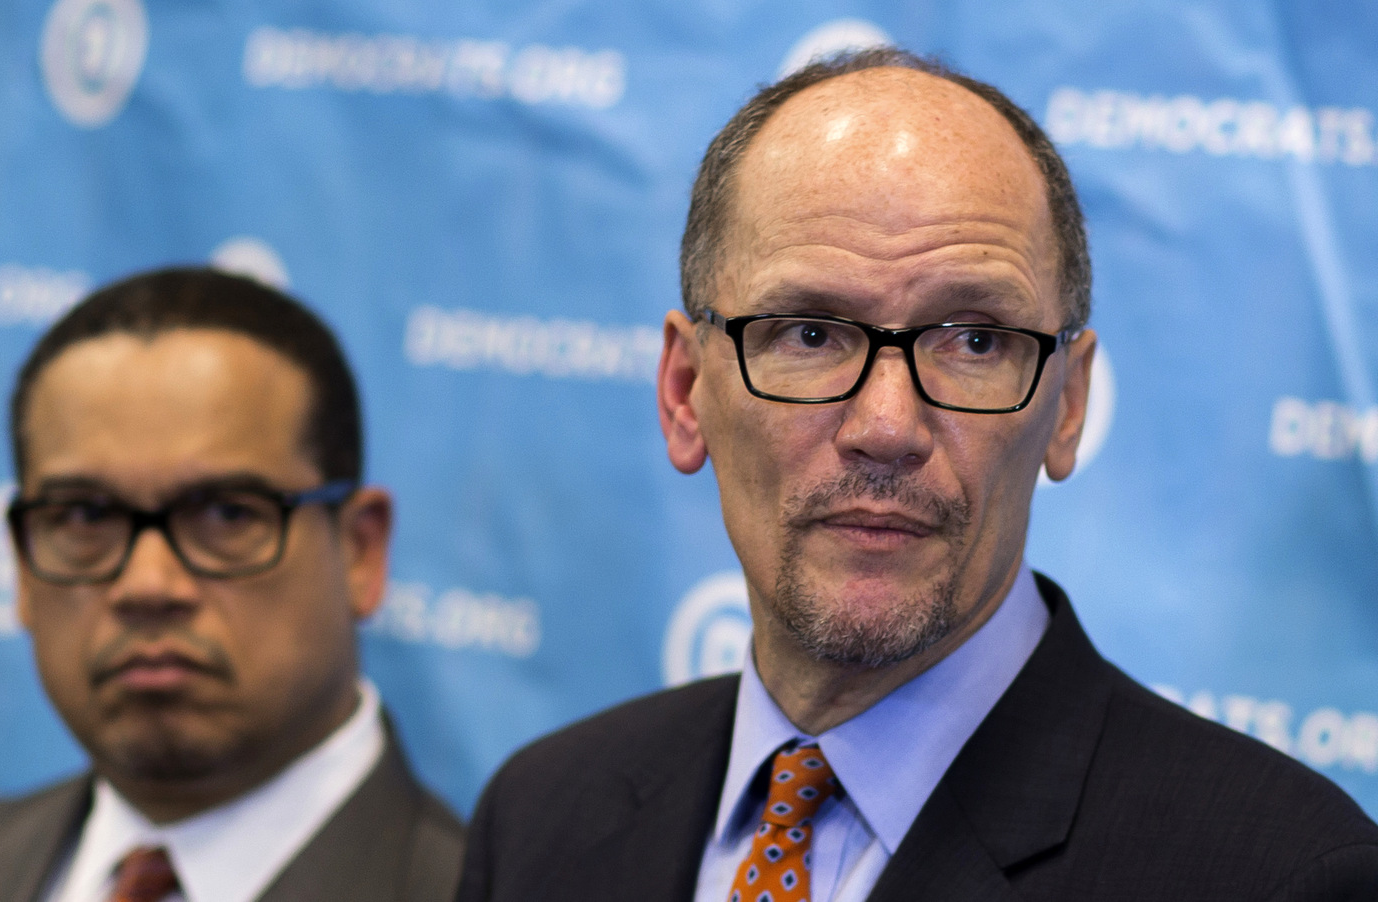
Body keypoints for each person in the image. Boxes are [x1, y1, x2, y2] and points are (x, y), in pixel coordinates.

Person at [455, 48, 1378, 901]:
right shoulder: (539, 822)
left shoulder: (1278, 877)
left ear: (1067, 406)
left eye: (975, 339)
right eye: (809, 334)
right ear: (686, 391)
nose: (887, 427)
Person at [0, 268, 463, 902]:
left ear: (360, 551)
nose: (147, 584)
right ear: (21, 567)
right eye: (84, 517)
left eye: (226, 515)